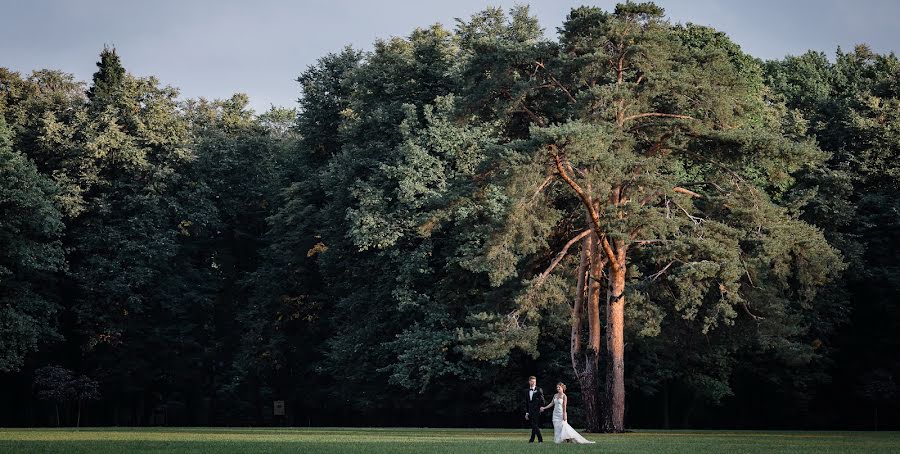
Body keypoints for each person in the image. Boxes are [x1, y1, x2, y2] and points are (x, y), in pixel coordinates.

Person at [524, 375, 545, 443]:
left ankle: (540, 440)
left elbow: (543, 400)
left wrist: (541, 407)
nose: (533, 383)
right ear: (529, 382)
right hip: (530, 411)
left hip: (537, 410)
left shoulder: (539, 389)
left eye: (534, 381)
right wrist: (527, 413)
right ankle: (532, 440)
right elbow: (527, 403)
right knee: (534, 425)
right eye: (532, 381)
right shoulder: (526, 391)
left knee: (534, 425)